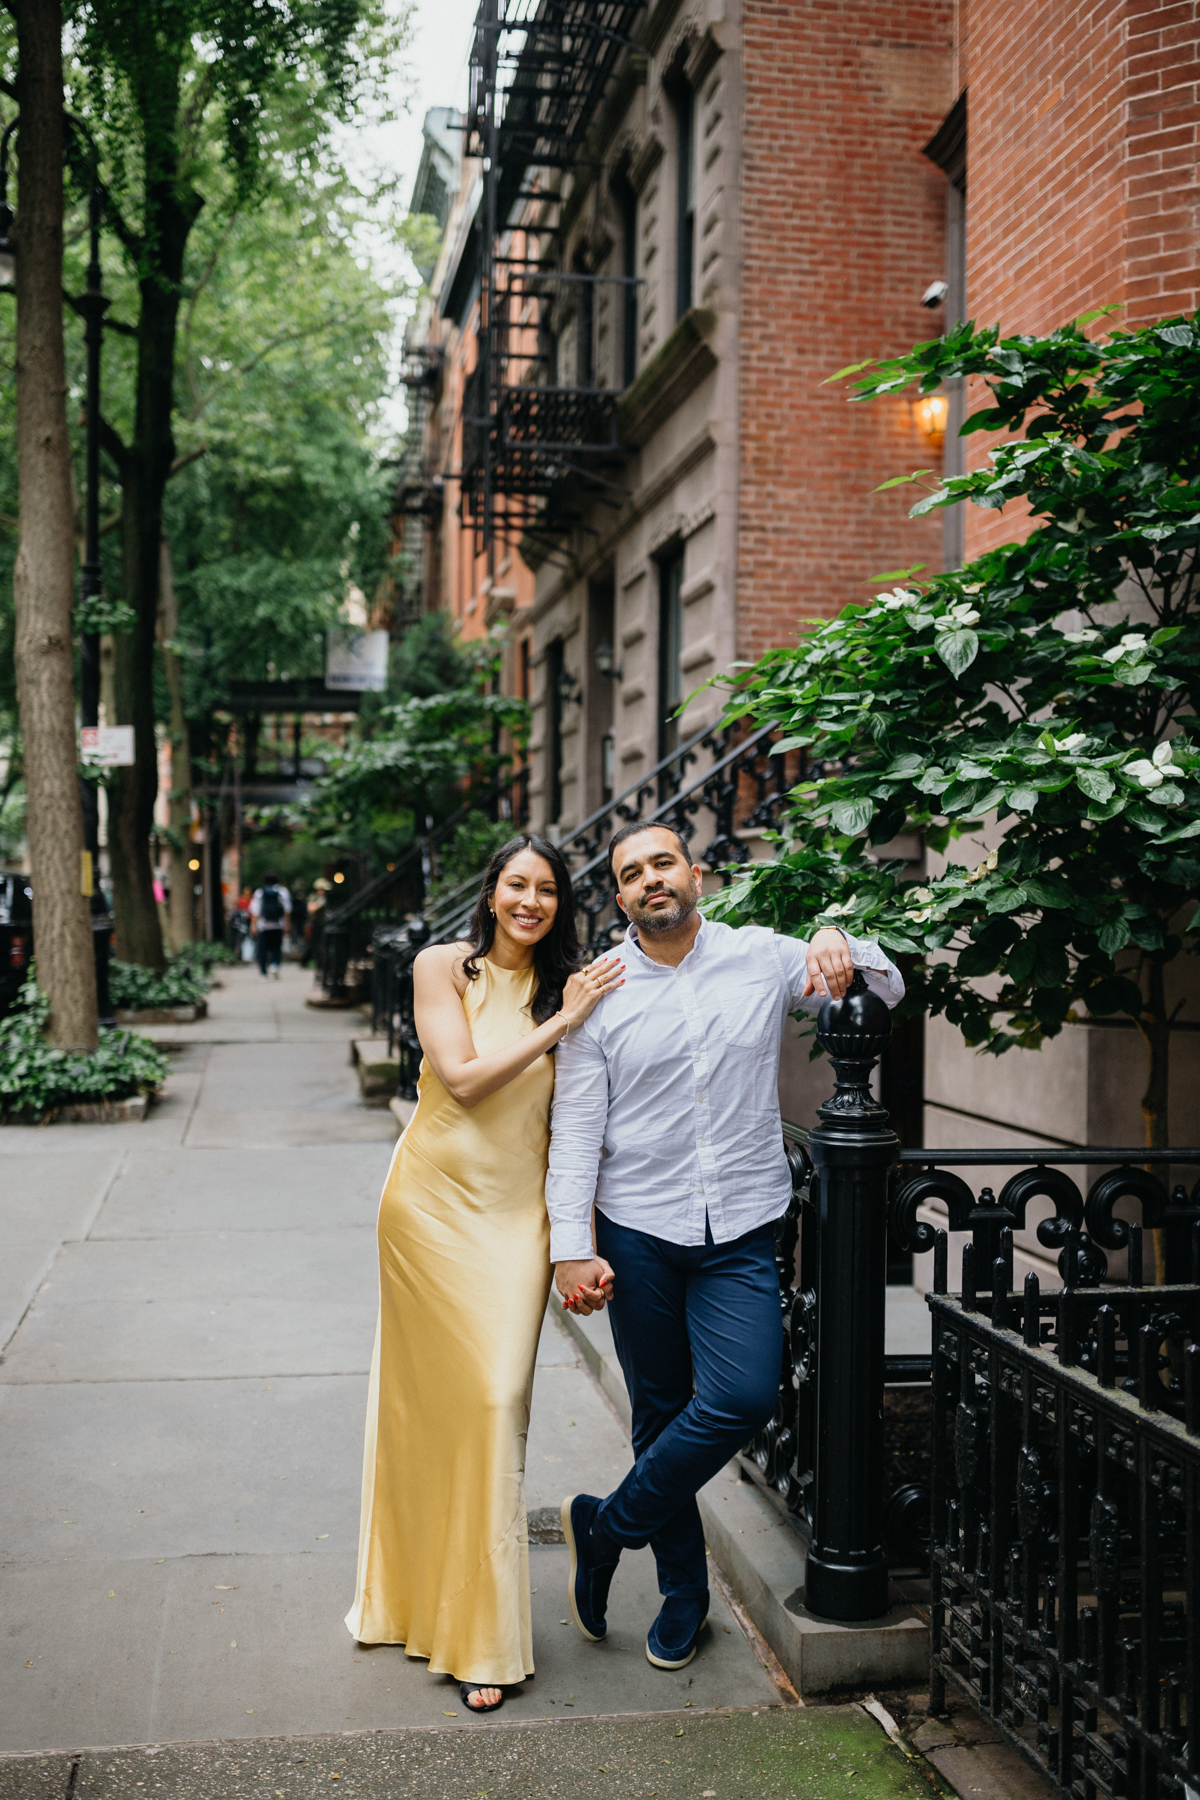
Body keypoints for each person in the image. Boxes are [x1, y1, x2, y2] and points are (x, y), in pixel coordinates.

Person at [547, 822, 904, 1673]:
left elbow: (881, 991)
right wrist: (570, 1246)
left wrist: (838, 937)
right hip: (637, 1231)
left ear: (695, 874)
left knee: (742, 1398)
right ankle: (683, 1597)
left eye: (662, 863)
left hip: (740, 1225)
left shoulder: (761, 955)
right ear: (621, 897)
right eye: (630, 874)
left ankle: (602, 1529)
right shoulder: (599, 989)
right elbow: (575, 1132)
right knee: (661, 1413)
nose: (649, 881)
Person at [345, 835, 624, 1714]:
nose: (530, 901)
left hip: (512, 1223)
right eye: (517, 884)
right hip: (425, 1211)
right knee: (428, 1411)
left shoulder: (574, 986)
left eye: (547, 890)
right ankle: (432, 1614)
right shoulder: (443, 968)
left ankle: (480, 1628)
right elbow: (461, 1080)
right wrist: (559, 1025)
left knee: (498, 1403)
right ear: (493, 892)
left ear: (561, 905)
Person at [249, 873, 291, 978]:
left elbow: (255, 911)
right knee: (277, 947)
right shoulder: (283, 892)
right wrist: (287, 925)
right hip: (278, 925)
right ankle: (275, 965)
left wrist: (253, 925)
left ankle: (263, 972)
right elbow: (287, 910)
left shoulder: (259, 892)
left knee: (262, 949)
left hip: (263, 925)